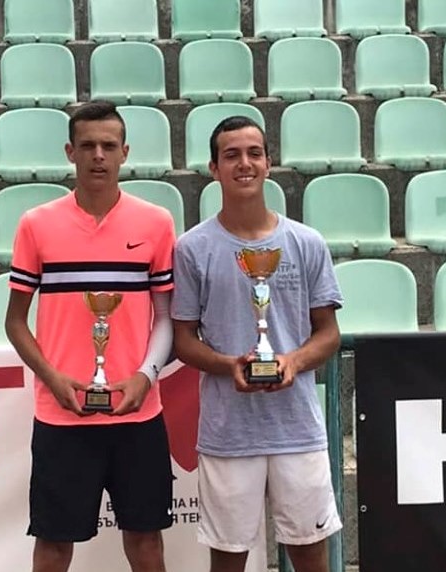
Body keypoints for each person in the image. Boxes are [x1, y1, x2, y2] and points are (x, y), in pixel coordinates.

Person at [5, 100, 176, 572]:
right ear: (70, 152)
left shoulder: (156, 223)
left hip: (137, 413)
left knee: (146, 542)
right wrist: (52, 378)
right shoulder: (36, 224)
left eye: (108, 146)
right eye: (87, 146)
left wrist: (145, 376)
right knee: (54, 544)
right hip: (62, 416)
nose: (98, 155)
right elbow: (15, 321)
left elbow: (165, 317)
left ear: (125, 152)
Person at [171, 116, 343, 572]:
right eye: (231, 155)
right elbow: (184, 340)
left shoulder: (306, 242)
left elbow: (328, 332)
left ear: (268, 163)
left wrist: (293, 361)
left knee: (310, 554)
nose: (244, 164)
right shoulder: (192, 248)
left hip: (297, 428)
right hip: (229, 432)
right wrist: (229, 364)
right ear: (214, 168)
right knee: (228, 558)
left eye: (253, 153)